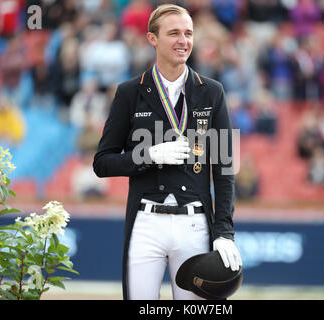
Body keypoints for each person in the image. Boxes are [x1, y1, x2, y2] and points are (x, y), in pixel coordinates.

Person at [93, 4, 242, 300]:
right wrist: (148, 156)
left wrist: (225, 232)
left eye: (188, 33)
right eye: (173, 33)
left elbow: (226, 167)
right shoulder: (129, 92)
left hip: (195, 224)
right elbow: (102, 163)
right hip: (146, 222)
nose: (183, 41)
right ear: (152, 39)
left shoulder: (213, 92)